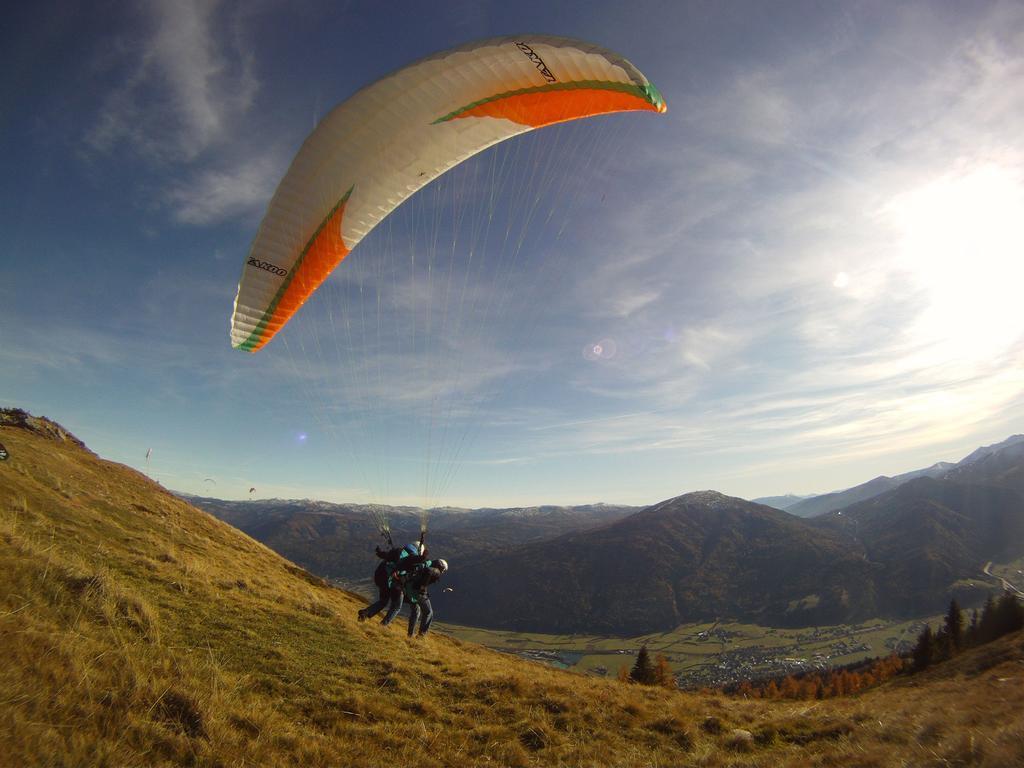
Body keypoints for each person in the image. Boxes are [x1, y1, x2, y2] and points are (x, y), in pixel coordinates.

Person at [358, 542, 426, 622]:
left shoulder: (398, 551)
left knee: (383, 601)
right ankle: (383, 625)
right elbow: (414, 561)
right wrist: (423, 557)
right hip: (391, 581)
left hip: (380, 576)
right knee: (396, 606)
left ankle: (365, 613)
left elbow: (384, 555)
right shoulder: (411, 557)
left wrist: (379, 552)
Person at [403, 559, 448, 637]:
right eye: (443, 569)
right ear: (441, 566)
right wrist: (423, 588)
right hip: (419, 593)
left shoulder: (425, 566)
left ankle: (410, 634)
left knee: (416, 611)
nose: (442, 572)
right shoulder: (435, 570)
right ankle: (421, 635)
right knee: (428, 612)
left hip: (409, 590)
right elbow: (429, 572)